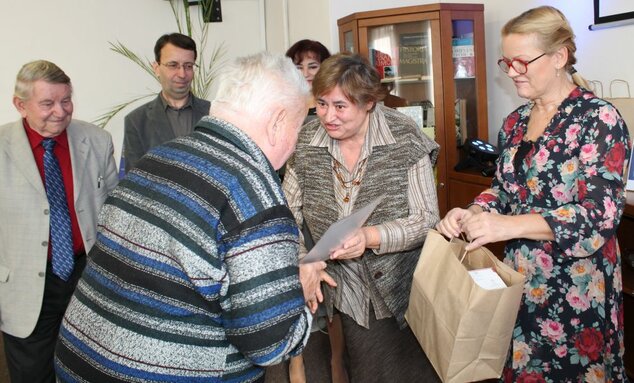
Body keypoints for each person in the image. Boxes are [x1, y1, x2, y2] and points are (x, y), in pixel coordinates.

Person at [54, 51, 335, 382]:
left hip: (80, 359)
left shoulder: (159, 158)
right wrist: (295, 292)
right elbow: (269, 344)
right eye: (299, 124)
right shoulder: (254, 194)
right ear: (277, 122)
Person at [436, 6, 630, 382]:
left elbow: (598, 215)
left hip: (576, 283)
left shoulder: (598, 119)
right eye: (507, 62)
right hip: (521, 276)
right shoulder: (515, 122)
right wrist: (473, 210)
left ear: (558, 57)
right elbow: (505, 189)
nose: (511, 72)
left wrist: (505, 226)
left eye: (522, 62)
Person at [283, 53, 441, 382]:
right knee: (364, 368)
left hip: (401, 288)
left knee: (407, 371)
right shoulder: (306, 140)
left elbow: (426, 219)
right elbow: (287, 214)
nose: (328, 116)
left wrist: (371, 237)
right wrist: (303, 260)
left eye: (340, 106)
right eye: (322, 103)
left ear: (368, 102)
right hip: (344, 288)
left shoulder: (404, 136)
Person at [0, 60, 118, 383]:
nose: (60, 111)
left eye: (66, 100)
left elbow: (113, 211)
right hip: (25, 283)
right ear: (20, 105)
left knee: (92, 369)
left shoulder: (97, 140)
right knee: (32, 374)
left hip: (86, 275)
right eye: (48, 103)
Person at [284, 38, 334, 383]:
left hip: (327, 217)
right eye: (298, 66)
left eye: (312, 66)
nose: (305, 74)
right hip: (289, 213)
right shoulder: (285, 111)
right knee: (300, 294)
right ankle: (297, 362)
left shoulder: (330, 114)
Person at [122, 32, 211, 173]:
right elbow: (134, 181)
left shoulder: (214, 114)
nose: (182, 74)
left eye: (188, 66)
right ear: (156, 68)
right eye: (173, 65)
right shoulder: (137, 121)